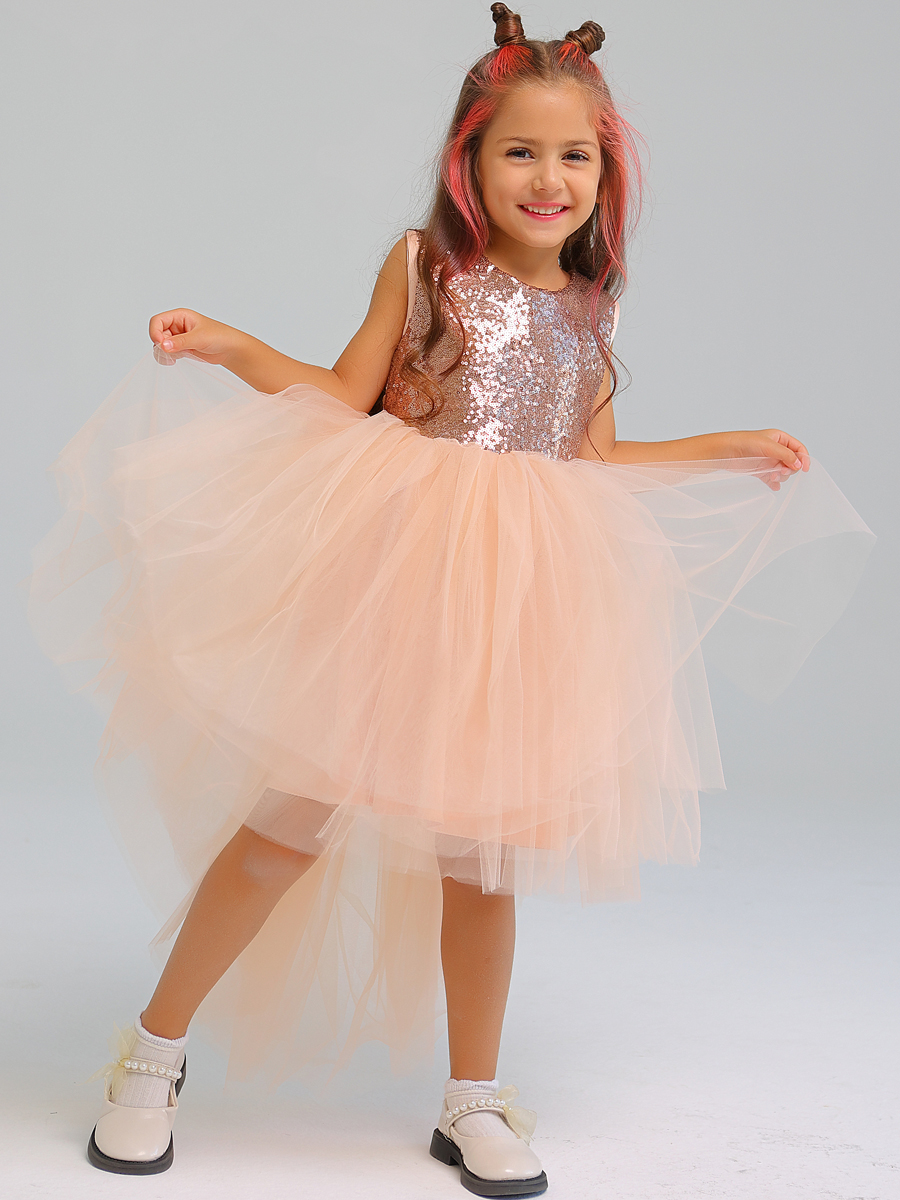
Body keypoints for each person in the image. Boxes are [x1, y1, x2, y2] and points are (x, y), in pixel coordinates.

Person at [28, 5, 873, 1195]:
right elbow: (342, 392)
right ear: (470, 161)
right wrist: (227, 344)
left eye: (574, 155)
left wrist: (721, 449)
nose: (549, 179)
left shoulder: (593, 300)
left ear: (606, 172)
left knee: (483, 863)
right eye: (520, 151)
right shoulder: (427, 268)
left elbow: (588, 456)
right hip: (399, 577)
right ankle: (153, 1054)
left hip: (514, 606)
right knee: (287, 828)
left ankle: (473, 1098)